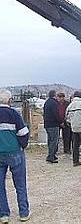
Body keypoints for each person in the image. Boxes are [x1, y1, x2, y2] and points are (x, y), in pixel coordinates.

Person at [0, 89, 30, 222]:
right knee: (20, 184)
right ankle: (23, 213)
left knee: (0, 186)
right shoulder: (14, 114)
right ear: (10, 100)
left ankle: (4, 214)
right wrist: (22, 146)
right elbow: (23, 133)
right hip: (14, 152)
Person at [43, 90, 61, 163]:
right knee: (54, 141)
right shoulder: (54, 103)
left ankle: (52, 154)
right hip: (53, 124)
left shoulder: (47, 102)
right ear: (54, 95)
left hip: (47, 124)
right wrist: (60, 122)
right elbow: (56, 114)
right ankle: (50, 156)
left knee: (50, 140)